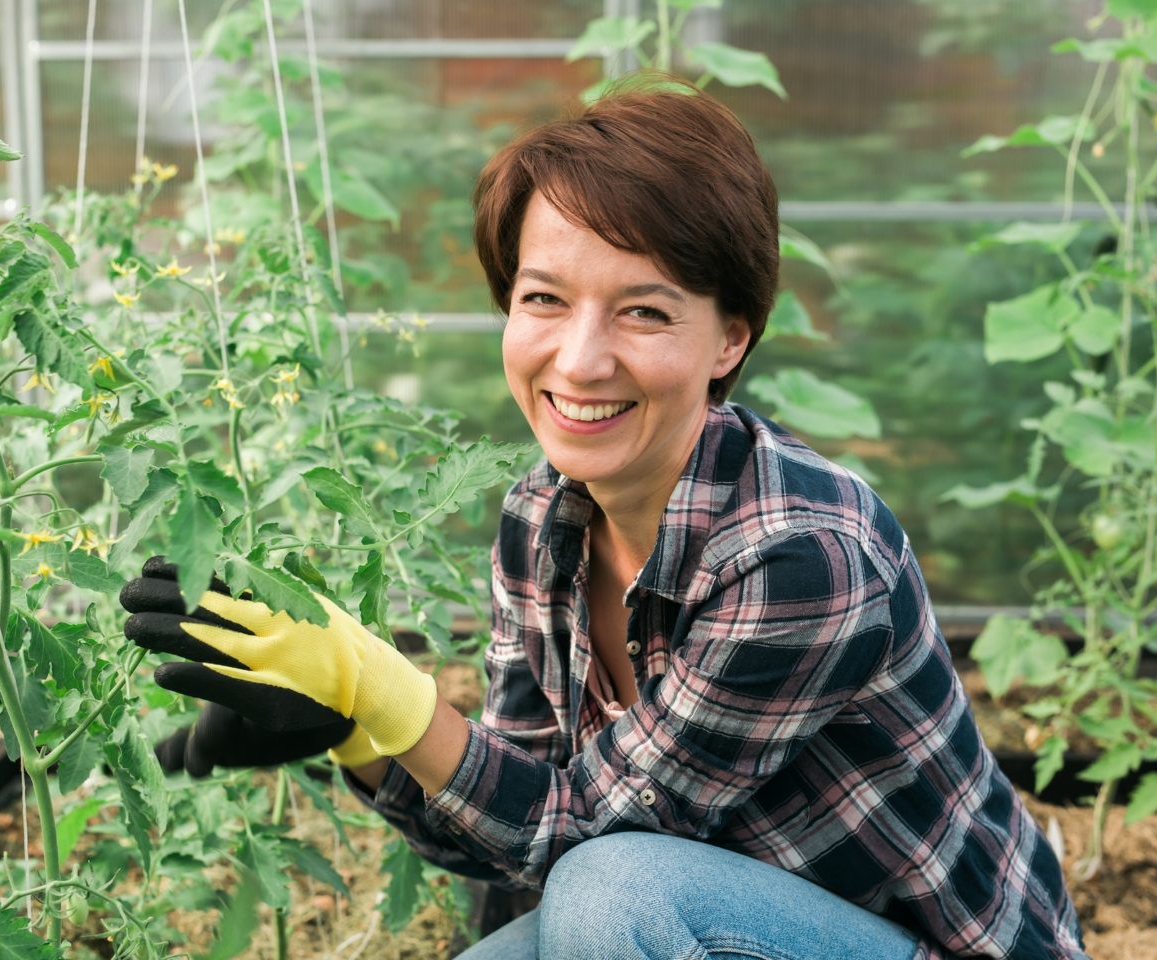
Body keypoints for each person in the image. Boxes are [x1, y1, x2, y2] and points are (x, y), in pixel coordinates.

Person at [119, 79, 1089, 959]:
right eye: (544, 299)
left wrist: (385, 690)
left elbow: (576, 841)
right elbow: (510, 837)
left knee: (610, 887)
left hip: (931, 947)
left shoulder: (802, 558)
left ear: (730, 339)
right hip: (702, 922)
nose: (580, 361)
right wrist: (354, 738)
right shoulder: (542, 522)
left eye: (644, 312)